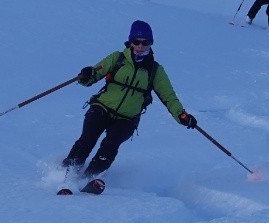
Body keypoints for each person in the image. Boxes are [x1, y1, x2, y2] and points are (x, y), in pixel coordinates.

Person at [63, 20, 197, 179]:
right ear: (131, 42)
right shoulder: (117, 58)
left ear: (150, 43)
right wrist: (86, 74)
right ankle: (65, 172)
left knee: (110, 145)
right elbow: (92, 77)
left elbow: (169, 97)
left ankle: (88, 178)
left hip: (127, 119)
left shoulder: (155, 71)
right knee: (87, 139)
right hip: (102, 107)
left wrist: (182, 116)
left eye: (145, 42)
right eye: (137, 42)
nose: (140, 46)